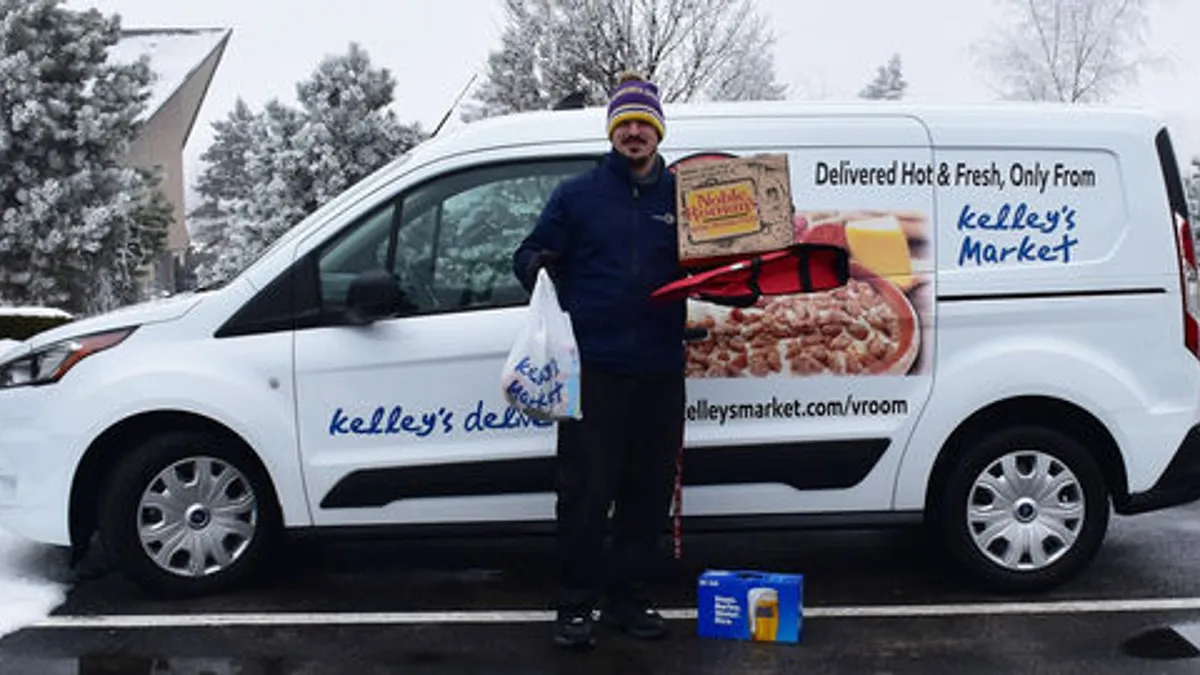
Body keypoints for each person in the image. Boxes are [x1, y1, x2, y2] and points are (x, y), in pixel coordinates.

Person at [512, 72, 686, 650]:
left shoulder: (685, 197)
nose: (635, 132)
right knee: (586, 491)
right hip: (595, 370)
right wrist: (536, 265)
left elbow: (726, 261)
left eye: (645, 123)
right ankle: (575, 603)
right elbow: (529, 251)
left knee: (647, 490)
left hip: (661, 367)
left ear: (659, 130)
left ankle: (628, 598)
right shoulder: (578, 195)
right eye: (625, 124)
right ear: (612, 131)